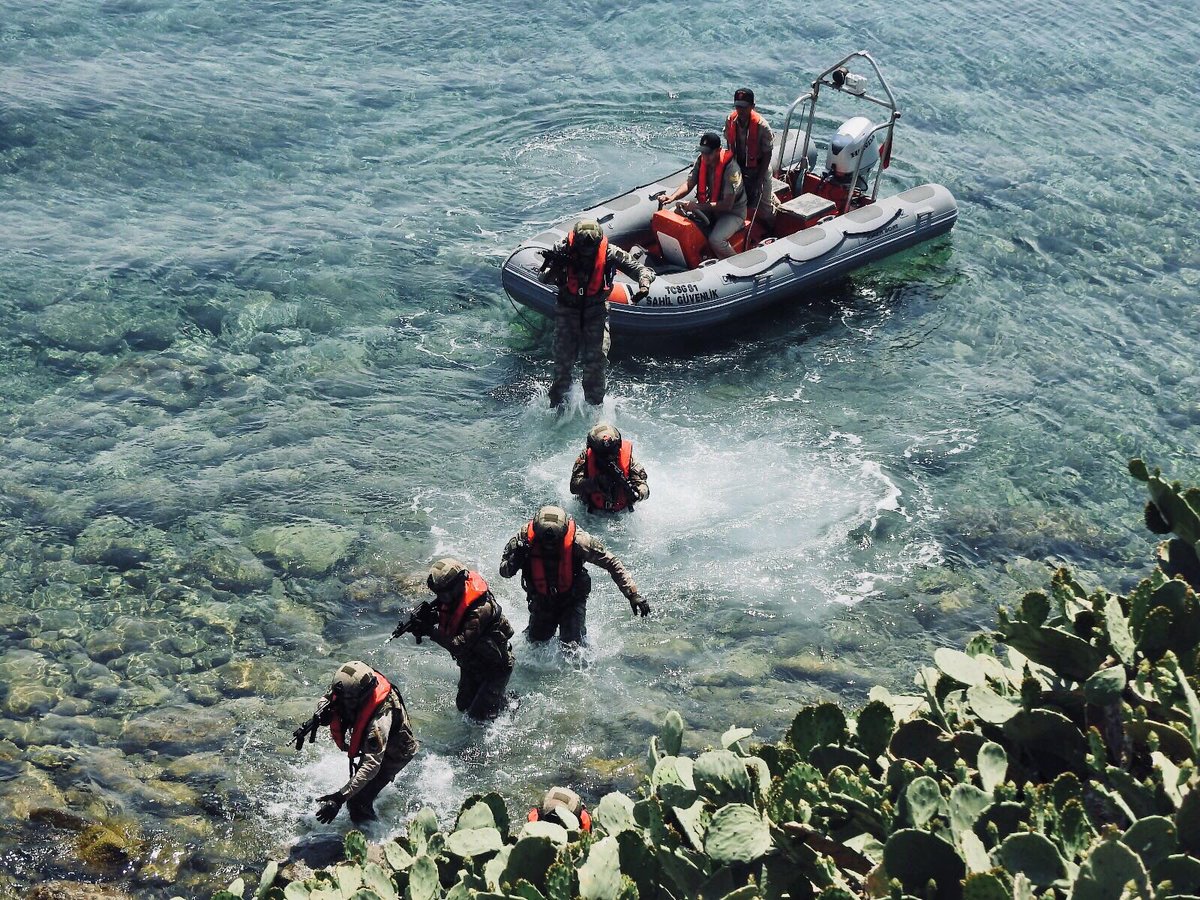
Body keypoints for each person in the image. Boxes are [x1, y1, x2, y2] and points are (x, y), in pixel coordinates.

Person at [540, 219, 655, 409]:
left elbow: (641, 270)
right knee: (563, 362)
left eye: (590, 247)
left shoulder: (610, 252)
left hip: (596, 312)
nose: (586, 251)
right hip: (567, 310)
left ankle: (594, 408)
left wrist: (644, 285)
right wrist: (556, 266)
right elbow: (542, 277)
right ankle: (557, 406)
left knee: (596, 361)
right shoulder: (562, 249)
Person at [499, 505, 649, 645]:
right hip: (541, 599)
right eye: (545, 542)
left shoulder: (579, 541)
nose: (549, 546)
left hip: (572, 598)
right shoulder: (523, 539)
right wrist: (517, 558)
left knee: (573, 646)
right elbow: (504, 571)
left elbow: (612, 563)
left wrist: (632, 594)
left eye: (553, 543)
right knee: (536, 643)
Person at [395, 558, 516, 720]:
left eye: (443, 593)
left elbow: (459, 645)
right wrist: (427, 620)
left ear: (458, 585)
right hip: (473, 663)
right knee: (463, 705)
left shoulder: (480, 610)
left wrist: (430, 631)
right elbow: (450, 618)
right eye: (437, 593)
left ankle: (510, 705)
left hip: (495, 667)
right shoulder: (452, 597)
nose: (440, 597)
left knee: (478, 717)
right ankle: (500, 701)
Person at [300, 660, 418, 824]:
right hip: (378, 744)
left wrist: (338, 798)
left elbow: (371, 765)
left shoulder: (379, 720)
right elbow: (330, 696)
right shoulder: (351, 686)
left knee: (357, 802)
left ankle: (373, 839)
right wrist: (321, 713)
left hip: (396, 751)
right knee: (360, 790)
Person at [657, 131, 747, 259]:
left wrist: (697, 206)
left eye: (708, 153)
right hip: (712, 207)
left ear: (718, 150)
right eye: (702, 152)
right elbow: (690, 183)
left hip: (733, 212)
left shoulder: (731, 170)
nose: (705, 156)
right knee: (673, 214)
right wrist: (672, 197)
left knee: (716, 240)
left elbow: (727, 205)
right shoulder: (701, 160)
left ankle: (736, 264)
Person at [725, 87, 777, 229]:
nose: (740, 111)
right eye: (737, 106)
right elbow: (729, 144)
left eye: (744, 107)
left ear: (752, 107)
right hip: (738, 168)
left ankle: (773, 230)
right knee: (731, 200)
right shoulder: (730, 120)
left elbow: (767, 154)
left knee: (764, 208)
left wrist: (759, 180)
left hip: (759, 169)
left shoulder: (762, 127)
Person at [570, 423, 649, 513]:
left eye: (612, 453)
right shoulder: (586, 457)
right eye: (605, 455)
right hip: (591, 510)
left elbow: (643, 486)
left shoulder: (628, 458)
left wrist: (638, 494)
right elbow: (574, 487)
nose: (610, 457)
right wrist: (596, 483)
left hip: (622, 512)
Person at [527, 786, 592, 833]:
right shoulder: (537, 816)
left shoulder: (581, 816)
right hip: (550, 799)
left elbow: (586, 837)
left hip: (572, 803)